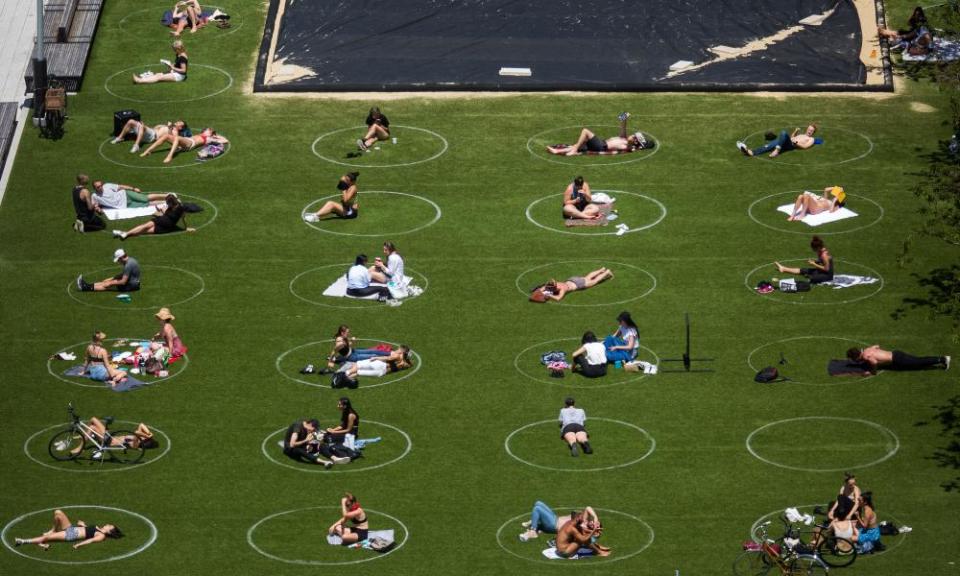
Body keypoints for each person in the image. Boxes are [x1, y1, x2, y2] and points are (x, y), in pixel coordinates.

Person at [14, 509, 123, 550]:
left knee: (45, 537)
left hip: (71, 535)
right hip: (71, 528)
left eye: (110, 526)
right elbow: (87, 532)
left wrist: (79, 545)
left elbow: (90, 540)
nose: (108, 524)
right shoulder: (98, 529)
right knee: (58, 513)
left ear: (109, 531)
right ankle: (52, 531)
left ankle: (23, 541)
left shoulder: (102, 536)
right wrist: (83, 525)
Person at [551, 112, 647, 156]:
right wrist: (625, 117)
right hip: (600, 143)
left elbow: (630, 146)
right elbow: (623, 126)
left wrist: (636, 143)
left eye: (634, 136)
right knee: (579, 144)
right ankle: (558, 151)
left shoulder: (627, 145)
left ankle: (574, 151)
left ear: (634, 140)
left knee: (585, 131)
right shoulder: (624, 138)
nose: (632, 135)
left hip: (601, 146)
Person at [112, 194, 195, 239]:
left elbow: (164, 214)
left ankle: (125, 233)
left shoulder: (171, 206)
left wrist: (160, 210)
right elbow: (183, 218)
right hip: (168, 227)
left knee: (144, 226)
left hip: (161, 220)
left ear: (170, 202)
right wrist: (186, 228)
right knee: (144, 231)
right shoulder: (180, 207)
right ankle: (124, 234)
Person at [140, 127, 228, 164]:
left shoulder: (209, 138)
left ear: (211, 134)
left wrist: (215, 136)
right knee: (166, 136)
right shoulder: (201, 134)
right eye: (208, 130)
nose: (207, 130)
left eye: (209, 131)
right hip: (186, 141)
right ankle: (147, 151)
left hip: (190, 144)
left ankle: (169, 156)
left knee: (177, 138)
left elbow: (225, 140)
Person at [519, 503, 601, 542]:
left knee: (537, 509)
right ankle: (535, 522)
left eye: (594, 525)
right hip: (555, 518)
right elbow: (588, 507)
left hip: (553, 524)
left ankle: (533, 531)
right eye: (594, 522)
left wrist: (595, 532)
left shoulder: (584, 530)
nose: (593, 523)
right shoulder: (585, 520)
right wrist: (596, 517)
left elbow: (591, 540)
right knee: (538, 503)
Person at [529, 268, 614, 302]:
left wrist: (548, 295)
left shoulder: (562, 290)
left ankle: (607, 272)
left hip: (577, 284)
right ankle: (602, 269)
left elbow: (558, 298)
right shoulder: (556, 284)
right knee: (587, 277)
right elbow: (544, 287)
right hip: (574, 280)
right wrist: (541, 291)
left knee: (595, 281)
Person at [76, 248, 141, 293]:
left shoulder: (128, 265)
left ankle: (85, 288)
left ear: (121, 258)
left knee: (107, 284)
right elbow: (125, 274)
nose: (118, 262)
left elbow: (123, 282)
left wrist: (111, 283)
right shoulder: (131, 260)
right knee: (107, 282)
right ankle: (87, 285)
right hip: (133, 283)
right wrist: (112, 278)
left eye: (118, 260)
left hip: (130, 286)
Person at [737, 124, 821, 158]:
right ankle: (750, 152)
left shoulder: (811, 139)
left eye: (811, 130)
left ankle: (777, 151)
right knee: (768, 146)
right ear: (807, 129)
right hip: (787, 142)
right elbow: (792, 138)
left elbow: (805, 147)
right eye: (809, 129)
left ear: (813, 132)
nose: (809, 131)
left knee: (783, 133)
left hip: (791, 146)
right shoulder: (802, 134)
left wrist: (797, 143)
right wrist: (796, 131)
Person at [847, 345, 950, 372]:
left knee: (918, 362)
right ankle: (941, 359)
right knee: (917, 361)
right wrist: (881, 354)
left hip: (897, 359)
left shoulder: (866, 356)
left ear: (857, 356)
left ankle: (942, 359)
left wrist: (873, 371)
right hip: (895, 353)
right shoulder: (867, 350)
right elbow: (876, 346)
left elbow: (874, 363)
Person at [338, 345, 413, 379]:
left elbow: (388, 358)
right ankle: (344, 378)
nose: (398, 349)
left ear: (402, 351)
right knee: (359, 372)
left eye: (399, 349)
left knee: (358, 365)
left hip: (380, 364)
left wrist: (376, 357)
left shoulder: (397, 356)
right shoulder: (405, 364)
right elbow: (410, 364)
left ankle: (343, 375)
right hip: (382, 372)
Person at [111, 119, 184, 154]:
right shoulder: (169, 126)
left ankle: (136, 146)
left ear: (180, 128)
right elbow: (155, 128)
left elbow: (175, 140)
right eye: (178, 121)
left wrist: (170, 128)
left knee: (142, 127)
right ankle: (120, 138)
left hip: (152, 137)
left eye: (179, 123)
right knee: (130, 121)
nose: (177, 122)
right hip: (150, 132)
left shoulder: (174, 131)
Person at [91, 180, 167, 210]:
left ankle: (167, 196)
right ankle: (165, 202)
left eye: (101, 185)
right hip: (125, 205)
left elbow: (120, 186)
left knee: (145, 198)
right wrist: (98, 209)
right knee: (146, 204)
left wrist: (133, 189)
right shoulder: (94, 196)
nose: (101, 187)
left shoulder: (107, 185)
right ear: (95, 188)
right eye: (98, 187)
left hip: (126, 194)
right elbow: (95, 205)